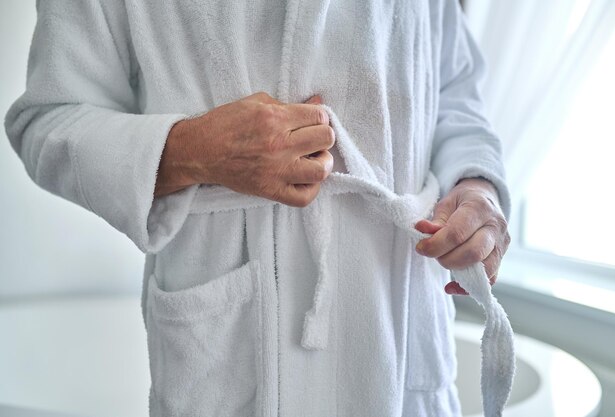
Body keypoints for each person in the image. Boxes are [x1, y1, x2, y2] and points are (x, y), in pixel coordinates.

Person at [5, 0, 510, 416]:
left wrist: (478, 188)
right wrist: (191, 148)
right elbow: (48, 121)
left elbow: (454, 94)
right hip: (230, 352)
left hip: (398, 325)